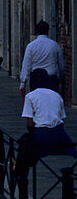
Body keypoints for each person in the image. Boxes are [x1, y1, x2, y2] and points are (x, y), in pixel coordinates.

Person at [15, 69, 77, 199]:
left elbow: (30, 124)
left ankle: (21, 181)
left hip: (42, 135)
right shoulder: (56, 95)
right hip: (60, 134)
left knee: (24, 145)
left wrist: (34, 133)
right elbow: (62, 119)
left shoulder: (30, 96)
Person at [20, 21, 66, 94]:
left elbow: (26, 66)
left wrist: (23, 83)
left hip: (36, 79)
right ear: (47, 30)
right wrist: (60, 76)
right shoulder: (54, 45)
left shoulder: (31, 46)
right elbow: (61, 64)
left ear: (36, 31)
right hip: (51, 79)